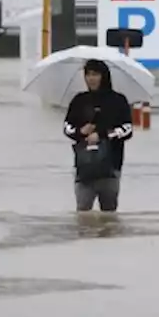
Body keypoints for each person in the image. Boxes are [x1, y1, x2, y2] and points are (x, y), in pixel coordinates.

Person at [63, 60, 134, 213]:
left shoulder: (118, 101)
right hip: (84, 168)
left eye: (95, 74)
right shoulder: (79, 101)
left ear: (104, 76)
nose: (91, 78)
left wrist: (103, 135)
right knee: (82, 213)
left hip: (111, 167)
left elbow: (127, 129)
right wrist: (80, 132)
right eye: (88, 74)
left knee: (109, 217)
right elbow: (67, 127)